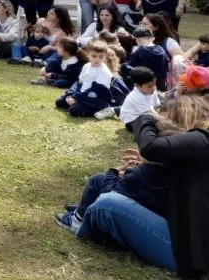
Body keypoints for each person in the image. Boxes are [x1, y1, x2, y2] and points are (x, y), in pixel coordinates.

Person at [72, 96, 209, 278]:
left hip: (190, 254)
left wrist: (145, 118)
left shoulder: (202, 142)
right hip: (183, 237)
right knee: (105, 189)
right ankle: (76, 217)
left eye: (163, 121)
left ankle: (78, 223)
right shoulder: (194, 153)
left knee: (107, 203)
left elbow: (151, 147)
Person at [53, 80, 175, 234]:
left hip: (131, 219)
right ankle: (83, 206)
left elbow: (112, 190)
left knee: (98, 179)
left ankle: (76, 219)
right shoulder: (169, 169)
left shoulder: (142, 175)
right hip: (152, 211)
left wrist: (115, 171)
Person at [55, 39, 118, 117]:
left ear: (105, 55)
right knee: (59, 102)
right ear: (88, 54)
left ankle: (98, 109)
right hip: (81, 96)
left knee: (73, 110)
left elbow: (96, 90)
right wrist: (71, 94)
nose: (97, 59)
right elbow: (79, 83)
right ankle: (76, 104)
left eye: (101, 57)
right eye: (94, 56)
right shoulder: (86, 66)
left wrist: (77, 98)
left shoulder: (104, 71)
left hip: (94, 100)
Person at [126, 27, 170, 91]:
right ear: (152, 39)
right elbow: (167, 66)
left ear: (139, 40)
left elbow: (130, 68)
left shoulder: (140, 52)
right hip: (160, 85)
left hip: (144, 86)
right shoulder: (161, 49)